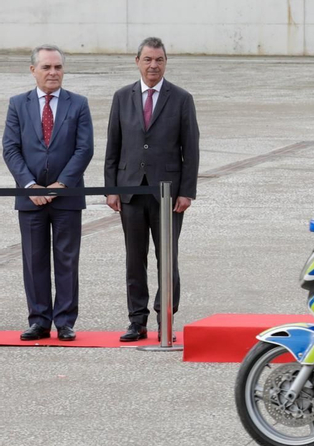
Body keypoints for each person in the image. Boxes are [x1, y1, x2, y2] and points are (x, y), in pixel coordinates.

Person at [104, 37, 201, 342]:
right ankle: (137, 320)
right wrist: (112, 189)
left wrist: (187, 191)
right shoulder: (122, 97)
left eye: (159, 60)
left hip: (168, 195)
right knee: (135, 258)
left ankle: (165, 319)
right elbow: (113, 147)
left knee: (166, 258)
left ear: (165, 63)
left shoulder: (181, 98)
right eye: (147, 60)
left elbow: (191, 149)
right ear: (137, 62)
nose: (153, 66)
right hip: (131, 191)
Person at [2, 46, 94, 341]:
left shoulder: (78, 104)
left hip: (66, 197)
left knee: (67, 259)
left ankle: (65, 321)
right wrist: (30, 185)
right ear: (33, 71)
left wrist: (61, 185)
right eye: (46, 67)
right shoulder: (18, 104)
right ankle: (39, 320)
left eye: (57, 67)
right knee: (34, 259)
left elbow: (84, 148)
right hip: (30, 197)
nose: (53, 72)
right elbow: (10, 148)